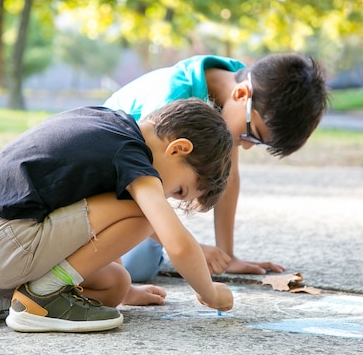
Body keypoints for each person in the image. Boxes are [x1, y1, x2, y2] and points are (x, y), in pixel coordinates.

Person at [0, 98, 234, 333]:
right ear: (178, 149)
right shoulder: (132, 156)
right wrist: (209, 292)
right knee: (146, 215)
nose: (166, 197)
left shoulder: (107, 123)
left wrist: (127, 291)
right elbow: (176, 243)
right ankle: (41, 297)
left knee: (114, 285)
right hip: (3, 245)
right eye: (178, 191)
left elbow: (91, 220)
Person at [103, 53, 329, 293]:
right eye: (252, 135)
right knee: (136, 267)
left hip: (137, 191)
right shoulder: (171, 99)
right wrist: (192, 248)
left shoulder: (243, 89)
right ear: (242, 95)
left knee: (146, 256)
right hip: (104, 188)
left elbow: (229, 177)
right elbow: (142, 191)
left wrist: (227, 255)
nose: (248, 145)